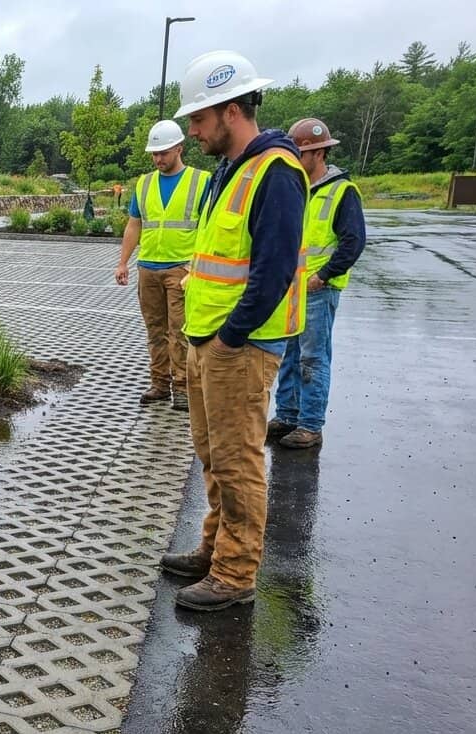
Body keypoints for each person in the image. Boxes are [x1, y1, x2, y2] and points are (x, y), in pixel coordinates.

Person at [157, 50, 309, 612]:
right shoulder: (232, 169)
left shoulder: (276, 174)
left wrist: (229, 338)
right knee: (214, 456)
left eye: (198, 119)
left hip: (238, 348)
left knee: (239, 460)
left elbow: (273, 271)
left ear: (229, 111)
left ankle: (235, 572)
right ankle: (213, 548)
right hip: (209, 342)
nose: (192, 130)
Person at [268, 118, 366, 449]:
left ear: (320, 152)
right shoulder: (295, 187)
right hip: (291, 288)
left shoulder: (342, 191)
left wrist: (322, 276)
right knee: (289, 354)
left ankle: (310, 424)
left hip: (319, 289)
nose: (296, 158)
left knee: (313, 358)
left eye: (303, 152)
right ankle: (287, 415)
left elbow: (353, 242)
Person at [116, 119, 210, 411]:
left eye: (164, 153)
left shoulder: (201, 181)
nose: (158, 159)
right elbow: (135, 225)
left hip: (182, 268)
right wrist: (123, 263)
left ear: (179, 148)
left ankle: (182, 388)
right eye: (154, 154)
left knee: (180, 331)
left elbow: (209, 227)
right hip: (149, 267)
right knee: (155, 330)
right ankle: (159, 383)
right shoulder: (144, 184)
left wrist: (197, 265)